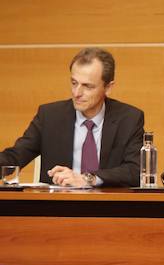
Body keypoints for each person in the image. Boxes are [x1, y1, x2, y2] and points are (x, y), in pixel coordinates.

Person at [0, 47, 144, 187]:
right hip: (59, 207)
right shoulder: (49, 116)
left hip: (110, 207)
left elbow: (136, 171)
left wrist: (88, 179)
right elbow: (15, 156)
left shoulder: (129, 119)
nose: (77, 93)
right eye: (74, 83)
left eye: (87, 86)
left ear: (108, 87)